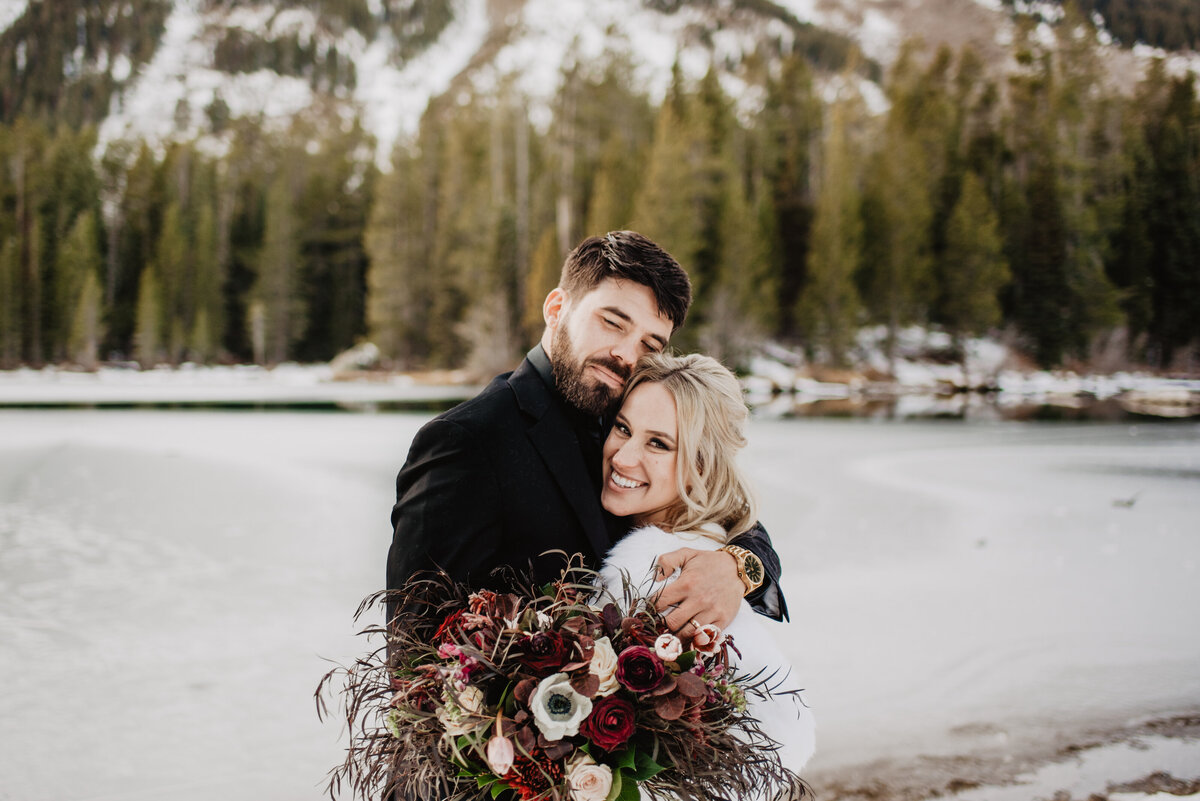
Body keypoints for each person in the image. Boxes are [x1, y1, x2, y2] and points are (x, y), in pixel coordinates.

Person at [386, 231, 787, 634]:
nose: (626, 354)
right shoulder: (466, 441)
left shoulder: (635, 418)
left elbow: (727, 509)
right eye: (613, 323)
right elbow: (414, 648)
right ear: (557, 308)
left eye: (650, 344)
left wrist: (735, 568)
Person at [596, 351, 816, 777]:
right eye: (622, 428)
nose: (622, 457)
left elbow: (774, 736)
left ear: (701, 467)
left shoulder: (662, 568)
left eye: (658, 443)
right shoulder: (714, 546)